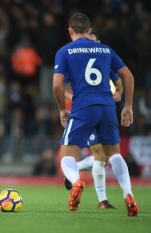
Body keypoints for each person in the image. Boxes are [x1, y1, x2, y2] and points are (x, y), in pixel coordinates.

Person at [53, 13, 139, 216]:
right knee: (114, 154)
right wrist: (128, 106)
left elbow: (57, 84)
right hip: (108, 107)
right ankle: (128, 194)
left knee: (67, 156)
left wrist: (62, 109)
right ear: (90, 30)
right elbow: (127, 75)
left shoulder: (65, 51)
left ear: (70, 31)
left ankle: (76, 182)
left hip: (83, 106)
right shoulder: (105, 50)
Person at [63, 30, 123, 209]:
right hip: (85, 114)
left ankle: (73, 171)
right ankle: (102, 200)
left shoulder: (104, 60)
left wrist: (118, 92)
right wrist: (73, 97)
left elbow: (119, 82)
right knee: (99, 154)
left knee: (102, 157)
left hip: (104, 111)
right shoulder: (77, 61)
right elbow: (60, 85)